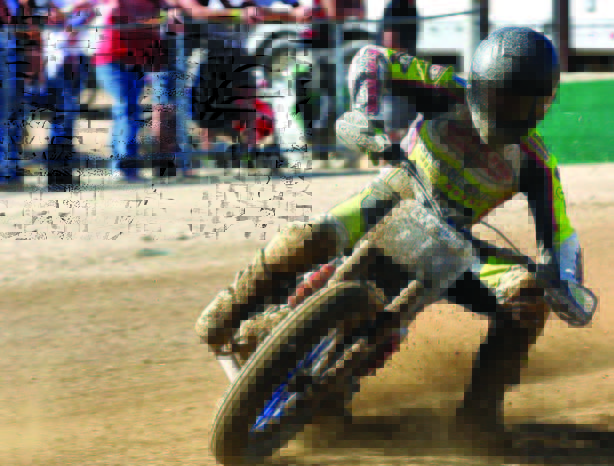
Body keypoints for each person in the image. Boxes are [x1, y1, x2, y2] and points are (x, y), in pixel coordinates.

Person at [195, 27, 586, 448]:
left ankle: (480, 416)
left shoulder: (537, 163)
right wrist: (364, 114)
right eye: (500, 96)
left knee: (527, 296)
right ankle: (231, 307)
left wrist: (562, 280)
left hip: (457, 247)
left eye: (523, 101)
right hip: (393, 195)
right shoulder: (446, 89)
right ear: (478, 84)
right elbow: (373, 58)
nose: (508, 110)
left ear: (544, 104)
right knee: (304, 239)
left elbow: (561, 234)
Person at [41, 0, 97, 190]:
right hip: (56, 63)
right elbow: (49, 15)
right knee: (62, 118)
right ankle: (58, 175)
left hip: (76, 61)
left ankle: (63, 174)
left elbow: (93, 11)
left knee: (68, 119)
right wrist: (72, 10)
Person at [376, 0, 419, 159]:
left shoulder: (410, 7)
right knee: (392, 122)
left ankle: (399, 157)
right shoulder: (396, 7)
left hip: (403, 69)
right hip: (395, 69)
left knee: (407, 120)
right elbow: (389, 41)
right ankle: (389, 158)